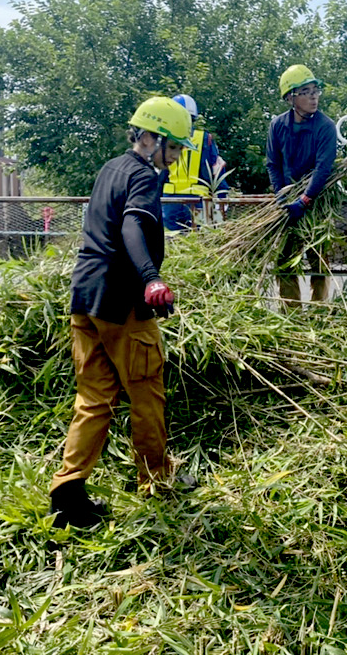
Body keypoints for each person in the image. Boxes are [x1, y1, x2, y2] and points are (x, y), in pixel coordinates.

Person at [49, 96, 197, 528]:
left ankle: (68, 493)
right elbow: (133, 224)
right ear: (153, 140)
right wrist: (151, 277)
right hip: (121, 302)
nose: (175, 158)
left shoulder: (109, 168)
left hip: (85, 295)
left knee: (94, 398)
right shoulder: (142, 176)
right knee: (146, 389)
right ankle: (156, 478)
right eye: (173, 148)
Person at [266, 64, 337, 307]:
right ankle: (293, 315)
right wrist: (280, 196)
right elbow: (273, 163)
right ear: (290, 97)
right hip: (289, 204)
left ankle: (319, 312)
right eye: (306, 91)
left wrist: (306, 199)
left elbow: (323, 168)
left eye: (316, 90)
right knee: (285, 262)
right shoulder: (277, 126)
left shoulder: (325, 127)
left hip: (316, 202)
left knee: (318, 260)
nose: (314, 96)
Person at [162, 94, 229, 231]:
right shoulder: (205, 139)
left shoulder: (163, 139)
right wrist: (220, 204)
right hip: (198, 203)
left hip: (169, 203)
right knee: (201, 243)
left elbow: (156, 175)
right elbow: (217, 172)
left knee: (170, 245)